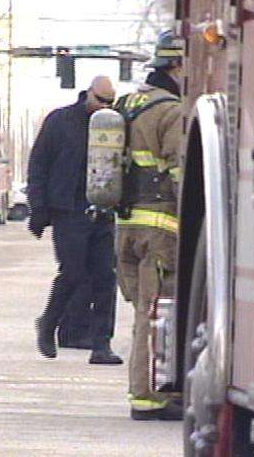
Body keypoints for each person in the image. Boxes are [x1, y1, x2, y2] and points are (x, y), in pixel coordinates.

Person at [27, 75, 123, 365]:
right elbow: (39, 165)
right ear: (88, 95)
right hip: (68, 210)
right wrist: (39, 209)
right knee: (73, 273)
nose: (103, 107)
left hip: (103, 208)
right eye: (100, 101)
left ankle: (101, 345)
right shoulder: (61, 122)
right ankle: (49, 323)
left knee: (105, 277)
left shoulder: (115, 125)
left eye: (110, 103)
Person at [113, 30, 185, 420]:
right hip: (159, 229)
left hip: (126, 228)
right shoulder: (171, 111)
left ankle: (146, 389)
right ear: (177, 65)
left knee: (142, 310)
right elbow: (180, 173)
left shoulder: (127, 104)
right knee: (152, 313)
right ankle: (147, 396)